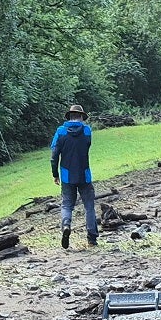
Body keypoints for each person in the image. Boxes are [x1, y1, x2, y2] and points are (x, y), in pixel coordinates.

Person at [51, 104, 99, 248]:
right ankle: (92, 239)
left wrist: (55, 174)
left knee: (66, 204)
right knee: (89, 206)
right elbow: (86, 145)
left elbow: (54, 156)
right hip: (84, 174)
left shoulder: (60, 131)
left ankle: (66, 225)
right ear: (81, 117)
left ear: (70, 116)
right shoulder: (87, 131)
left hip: (66, 175)